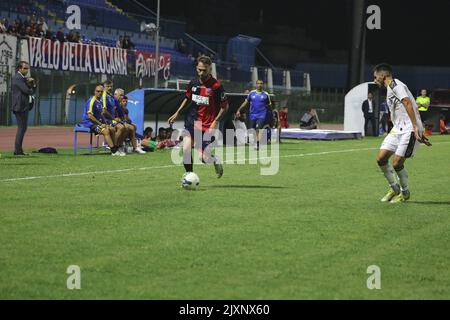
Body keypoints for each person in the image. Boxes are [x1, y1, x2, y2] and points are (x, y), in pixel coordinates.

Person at [373, 63, 431, 204]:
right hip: (397, 129)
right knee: (381, 159)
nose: (375, 80)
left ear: (382, 75)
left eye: (375, 77)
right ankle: (394, 188)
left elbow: (408, 103)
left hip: (409, 129)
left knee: (397, 163)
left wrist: (416, 128)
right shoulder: (390, 88)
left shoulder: (395, 85)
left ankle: (405, 193)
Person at [168, 55, 228, 178]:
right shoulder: (193, 83)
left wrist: (215, 122)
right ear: (196, 68)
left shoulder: (216, 86)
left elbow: (225, 106)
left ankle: (214, 159)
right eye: (199, 69)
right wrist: (177, 112)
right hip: (192, 121)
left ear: (210, 69)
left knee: (203, 158)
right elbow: (187, 98)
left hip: (208, 124)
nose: (201, 73)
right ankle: (189, 176)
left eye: (204, 70)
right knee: (185, 150)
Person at [77, 85, 122, 156]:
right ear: (94, 92)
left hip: (97, 123)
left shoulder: (100, 102)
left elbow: (101, 114)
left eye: (101, 91)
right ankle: (114, 151)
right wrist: (100, 124)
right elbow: (90, 116)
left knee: (112, 129)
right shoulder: (92, 101)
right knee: (106, 131)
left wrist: (106, 123)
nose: (100, 93)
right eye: (98, 91)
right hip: (89, 124)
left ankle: (115, 148)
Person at [235, 80, 272, 150]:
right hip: (252, 115)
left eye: (261, 83)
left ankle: (257, 144)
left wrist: (271, 114)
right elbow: (245, 102)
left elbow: (269, 105)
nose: (259, 85)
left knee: (258, 128)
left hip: (261, 115)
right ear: (256, 85)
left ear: (263, 85)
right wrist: (239, 110)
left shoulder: (266, 94)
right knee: (252, 130)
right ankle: (255, 142)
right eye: (258, 83)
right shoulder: (252, 93)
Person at [11, 61, 36, 155]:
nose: (26, 70)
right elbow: (27, 90)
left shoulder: (22, 78)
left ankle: (19, 150)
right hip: (19, 106)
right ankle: (18, 150)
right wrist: (32, 85)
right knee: (21, 128)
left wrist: (32, 84)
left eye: (27, 68)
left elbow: (30, 90)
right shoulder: (18, 78)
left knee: (23, 128)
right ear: (20, 68)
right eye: (25, 68)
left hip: (23, 106)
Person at [102, 80, 127, 155]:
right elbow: (104, 111)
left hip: (111, 120)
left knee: (125, 127)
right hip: (105, 120)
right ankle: (114, 148)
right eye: (108, 86)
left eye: (111, 86)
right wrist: (114, 118)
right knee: (121, 127)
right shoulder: (104, 96)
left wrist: (122, 118)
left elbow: (119, 109)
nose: (110, 88)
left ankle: (117, 147)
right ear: (104, 87)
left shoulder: (111, 97)